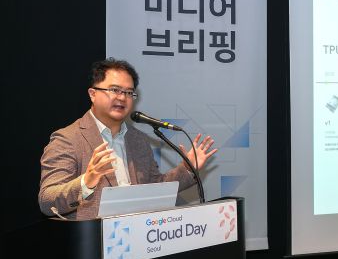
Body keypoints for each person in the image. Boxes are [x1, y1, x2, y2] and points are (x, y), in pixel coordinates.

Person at [39, 58, 217, 220]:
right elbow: (47, 201)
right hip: (94, 239)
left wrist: (187, 168)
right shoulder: (68, 139)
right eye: (114, 90)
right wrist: (86, 182)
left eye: (129, 92)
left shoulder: (138, 139)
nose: (122, 97)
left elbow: (154, 188)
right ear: (92, 94)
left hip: (139, 235)